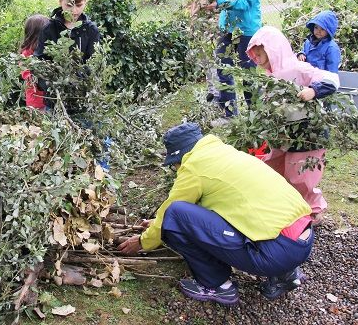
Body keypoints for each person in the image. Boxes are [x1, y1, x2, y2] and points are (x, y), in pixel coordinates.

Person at [118, 122, 313, 305]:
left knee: (174, 214)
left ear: (180, 157)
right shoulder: (224, 153)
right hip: (302, 239)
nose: (175, 169)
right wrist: (155, 222)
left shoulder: (193, 167)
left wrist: (143, 242)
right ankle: (285, 274)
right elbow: (219, 206)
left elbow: (173, 211)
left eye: (173, 164)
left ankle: (217, 284)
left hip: (276, 252)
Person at [246, 26, 341, 226]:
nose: (256, 54)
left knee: (301, 176)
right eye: (254, 50)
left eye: (260, 49)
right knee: (273, 167)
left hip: (307, 133)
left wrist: (313, 91)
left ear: (273, 49)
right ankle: (283, 204)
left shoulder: (298, 68)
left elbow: (332, 79)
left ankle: (312, 213)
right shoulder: (269, 76)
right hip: (284, 133)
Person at [206, 0, 271, 118]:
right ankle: (229, 114)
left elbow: (246, 2)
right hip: (227, 26)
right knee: (223, 70)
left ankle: (255, 116)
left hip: (246, 29)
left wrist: (220, 3)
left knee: (248, 75)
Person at [34, 0, 100, 64]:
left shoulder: (91, 30)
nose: (74, 11)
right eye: (69, 5)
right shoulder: (48, 28)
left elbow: (93, 63)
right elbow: (40, 60)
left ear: (85, 2)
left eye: (79, 5)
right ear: (60, 1)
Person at [19, 14, 50, 110]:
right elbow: (28, 77)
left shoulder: (46, 50)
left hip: (49, 100)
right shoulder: (26, 55)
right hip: (36, 103)